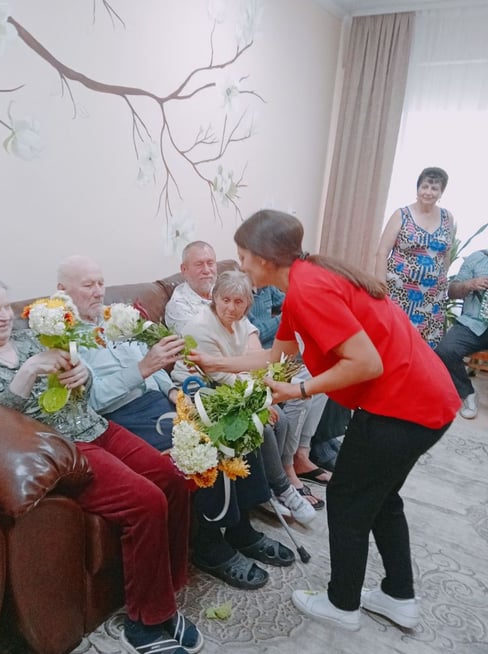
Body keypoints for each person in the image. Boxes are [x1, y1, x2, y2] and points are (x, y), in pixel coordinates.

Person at [190, 209, 460, 631]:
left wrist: (299, 391)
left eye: (242, 257)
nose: (240, 267)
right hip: (426, 398)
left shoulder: (308, 290)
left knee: (349, 501)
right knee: (381, 498)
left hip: (401, 407)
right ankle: (398, 595)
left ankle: (342, 604)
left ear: (263, 257)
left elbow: (366, 363)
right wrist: (215, 361)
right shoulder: (306, 279)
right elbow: (276, 356)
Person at [0, 274, 202, 654]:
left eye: (6, 307)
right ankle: (145, 623)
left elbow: (84, 385)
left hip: (95, 424)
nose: (4, 317)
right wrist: (28, 372)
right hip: (61, 448)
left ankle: (166, 591)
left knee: (173, 477)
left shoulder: (30, 337)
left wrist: (81, 376)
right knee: (145, 501)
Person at [172, 269, 317, 525]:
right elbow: (220, 376)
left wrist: (263, 389)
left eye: (238, 302)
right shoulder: (199, 327)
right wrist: (261, 399)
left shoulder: (240, 320)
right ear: (215, 298)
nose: (231, 308)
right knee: (263, 426)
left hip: (234, 383)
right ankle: (282, 489)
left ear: (247, 304)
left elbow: (251, 352)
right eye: (225, 300)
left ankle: (270, 484)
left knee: (281, 420)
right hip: (199, 389)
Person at [56, 255, 183, 450]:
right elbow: (93, 400)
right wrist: (142, 368)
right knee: (196, 448)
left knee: (220, 431)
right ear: (62, 290)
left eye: (101, 284)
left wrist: (171, 390)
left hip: (159, 400)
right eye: (88, 285)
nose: (99, 293)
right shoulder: (62, 338)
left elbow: (152, 361)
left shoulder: (118, 315)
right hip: (122, 415)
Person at [247, 283, 333, 487]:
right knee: (301, 389)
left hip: (283, 356)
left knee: (322, 377)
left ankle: (302, 454)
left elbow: (289, 301)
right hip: (264, 360)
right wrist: (286, 317)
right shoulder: (240, 292)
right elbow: (259, 333)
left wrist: (298, 305)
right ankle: (287, 465)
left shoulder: (266, 288)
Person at [375, 166, 454, 348]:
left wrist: (439, 279)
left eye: (434, 188)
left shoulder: (447, 217)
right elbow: (382, 253)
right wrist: (381, 289)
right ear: (417, 189)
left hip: (431, 297)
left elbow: (446, 254)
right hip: (399, 292)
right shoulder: (401, 215)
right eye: (425, 186)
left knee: (423, 347)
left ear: (441, 193)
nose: (428, 192)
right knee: (395, 340)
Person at [435, 249, 488, 419]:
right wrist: (469, 284)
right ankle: (468, 393)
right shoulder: (477, 258)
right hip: (473, 324)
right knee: (445, 350)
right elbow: (452, 291)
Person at [164, 241, 217, 333]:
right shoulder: (179, 306)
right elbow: (204, 339)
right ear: (184, 269)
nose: (206, 270)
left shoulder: (222, 288)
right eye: (199, 264)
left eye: (210, 263)